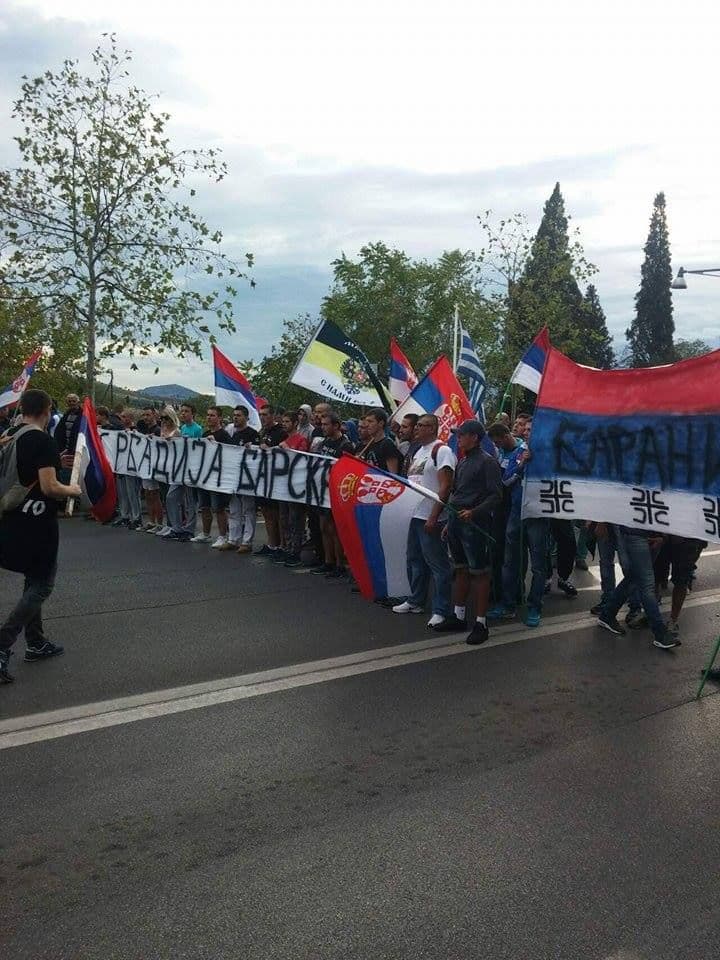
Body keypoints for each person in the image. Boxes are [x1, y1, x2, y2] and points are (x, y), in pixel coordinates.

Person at [0, 389, 82, 684]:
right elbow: (49, 487)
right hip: (37, 522)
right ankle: (3, 643)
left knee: (32, 579)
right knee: (42, 585)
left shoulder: (12, 433)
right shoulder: (43, 440)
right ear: (48, 410)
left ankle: (35, 642)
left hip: (11, 515)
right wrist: (72, 490)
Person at [392, 415, 457, 629]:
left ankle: (441, 610)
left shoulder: (442, 451)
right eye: (416, 425)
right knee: (415, 560)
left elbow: (446, 487)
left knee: (438, 565)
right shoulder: (418, 451)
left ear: (432, 428)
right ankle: (416, 600)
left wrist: (434, 516)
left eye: (421, 425)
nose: (416, 429)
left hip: (431, 517)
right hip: (414, 514)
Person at [445, 420, 503, 645]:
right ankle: (458, 616)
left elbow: (496, 495)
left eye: (461, 435)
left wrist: (474, 512)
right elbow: (457, 492)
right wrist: (450, 523)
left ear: (475, 438)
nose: (458, 438)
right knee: (460, 569)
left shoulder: (488, 462)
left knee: (480, 573)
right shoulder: (462, 461)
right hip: (456, 521)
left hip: (475, 525)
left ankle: (481, 622)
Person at [597, 526, 680, 650]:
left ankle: (607, 614)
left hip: (653, 532)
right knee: (646, 584)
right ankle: (660, 633)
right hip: (636, 533)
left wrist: (663, 536)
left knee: (633, 578)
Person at [486, 422, 530, 624]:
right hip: (505, 508)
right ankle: (511, 595)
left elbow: (507, 480)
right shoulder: (502, 452)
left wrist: (519, 468)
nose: (497, 446)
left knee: (512, 558)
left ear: (505, 436)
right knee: (507, 554)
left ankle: (509, 603)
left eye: (498, 442)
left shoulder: (522, 451)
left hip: (520, 508)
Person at [313, 411, 353, 578]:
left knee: (335, 528)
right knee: (324, 527)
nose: (323, 427)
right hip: (322, 490)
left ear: (336, 425)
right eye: (321, 425)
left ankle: (339, 563)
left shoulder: (345, 445)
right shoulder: (323, 443)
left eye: (326, 424)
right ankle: (328, 561)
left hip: (335, 490)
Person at [192, 406, 233, 547]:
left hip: (217, 477)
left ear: (219, 418)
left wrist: (215, 444)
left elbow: (228, 454)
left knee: (218, 507)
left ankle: (223, 535)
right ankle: (206, 533)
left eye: (213, 415)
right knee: (204, 506)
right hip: (204, 475)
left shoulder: (224, 435)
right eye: (208, 415)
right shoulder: (205, 434)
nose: (209, 417)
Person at [653, 535, 706, 640]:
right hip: (665, 537)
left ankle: (673, 620)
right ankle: (651, 613)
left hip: (690, 540)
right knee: (656, 576)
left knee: (682, 580)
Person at [254, 405, 288, 558]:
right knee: (266, 512)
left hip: (276, 478)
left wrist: (269, 449)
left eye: (266, 414)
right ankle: (271, 544)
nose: (262, 417)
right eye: (260, 414)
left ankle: (281, 545)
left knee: (277, 514)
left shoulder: (281, 432)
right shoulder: (262, 432)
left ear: (273, 416)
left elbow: (284, 453)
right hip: (263, 477)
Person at [276, 410, 310, 567]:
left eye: (287, 421)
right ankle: (288, 547)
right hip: (283, 485)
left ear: (295, 423)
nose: (284, 424)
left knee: (295, 519)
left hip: (296, 487)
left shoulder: (301, 440)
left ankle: (296, 551)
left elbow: (301, 460)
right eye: (283, 421)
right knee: (284, 518)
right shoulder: (285, 439)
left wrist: (287, 450)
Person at [227, 405, 260, 554]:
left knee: (248, 509)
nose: (235, 418)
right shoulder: (232, 435)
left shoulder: (252, 434)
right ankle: (233, 539)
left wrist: (253, 447)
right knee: (234, 509)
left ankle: (247, 541)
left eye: (239, 415)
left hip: (248, 477)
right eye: (234, 415)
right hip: (234, 476)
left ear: (246, 417)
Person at [112, 409, 143, 529]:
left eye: (125, 417)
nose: (122, 419)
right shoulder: (119, 432)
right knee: (122, 493)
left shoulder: (136, 431)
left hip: (131, 467)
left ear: (130, 418)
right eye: (121, 417)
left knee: (132, 493)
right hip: (121, 465)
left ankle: (136, 517)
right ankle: (125, 516)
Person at [136, 407, 163, 532]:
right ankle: (152, 521)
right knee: (147, 494)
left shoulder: (158, 430)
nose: (146, 417)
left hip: (154, 466)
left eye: (148, 415)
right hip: (145, 465)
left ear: (154, 415)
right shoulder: (145, 429)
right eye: (144, 415)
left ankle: (159, 523)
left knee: (154, 495)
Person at [359, 408, 400, 474]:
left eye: (370, 421)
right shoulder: (370, 444)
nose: (367, 425)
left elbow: (393, 475)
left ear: (381, 423)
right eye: (367, 421)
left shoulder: (388, 444)